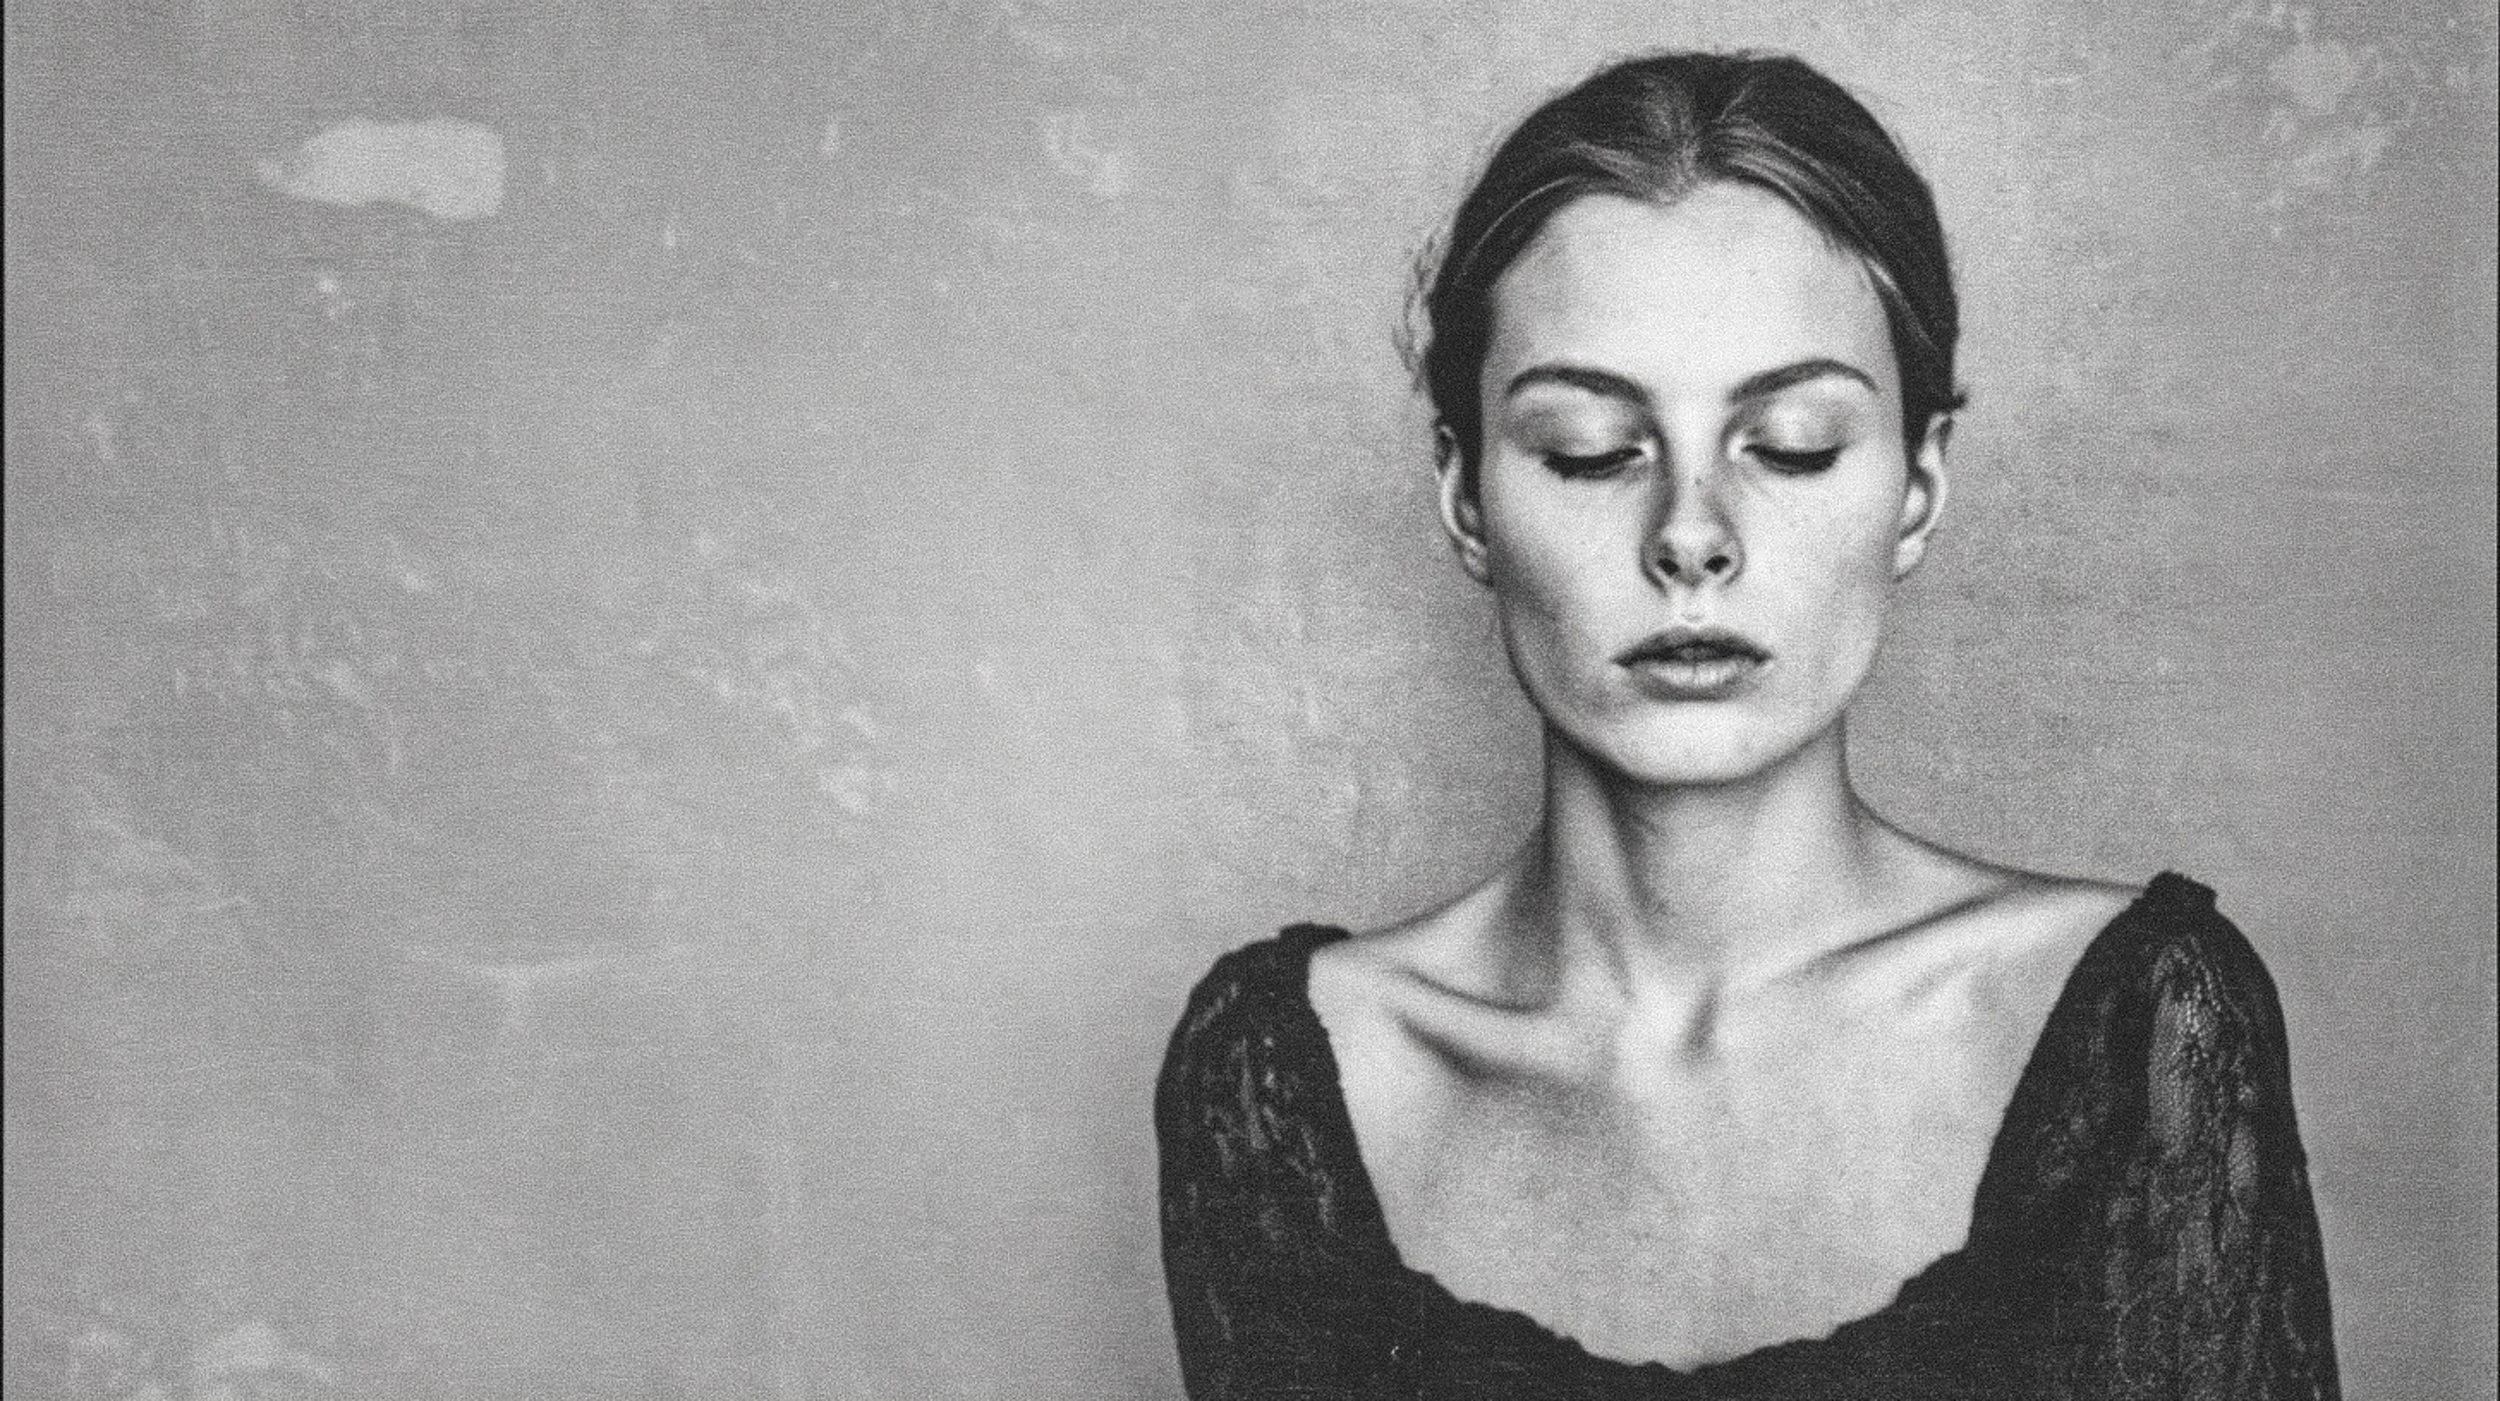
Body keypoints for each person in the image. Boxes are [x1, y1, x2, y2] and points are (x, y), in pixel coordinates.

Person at [1154, 50, 2341, 1400]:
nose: (1691, 537)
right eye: (1591, 449)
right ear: (1467, 499)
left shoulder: (2146, 1029)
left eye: (1791, 444)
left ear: (1917, 488)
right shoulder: (1282, 1076)